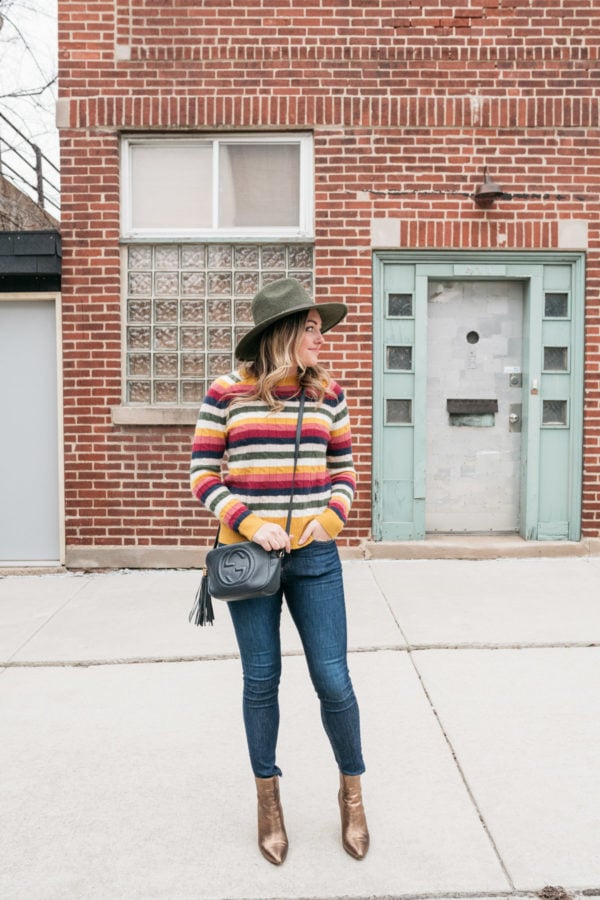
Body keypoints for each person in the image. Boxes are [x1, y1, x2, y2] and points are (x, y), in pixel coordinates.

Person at [190, 277, 369, 865]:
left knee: (333, 680)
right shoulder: (226, 393)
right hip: (250, 559)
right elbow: (203, 474)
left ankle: (352, 795)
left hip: (315, 557)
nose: (322, 337)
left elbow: (344, 469)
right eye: (311, 328)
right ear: (283, 332)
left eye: (321, 328)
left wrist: (331, 518)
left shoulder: (328, 394)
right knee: (261, 680)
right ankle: (268, 802)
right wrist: (247, 521)